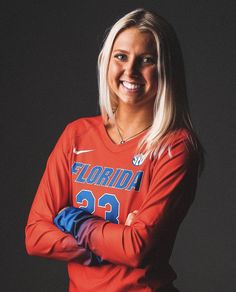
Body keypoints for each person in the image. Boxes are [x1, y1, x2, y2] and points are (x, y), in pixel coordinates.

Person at [25, 8, 204, 292]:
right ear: (106, 61)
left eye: (146, 60)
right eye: (121, 56)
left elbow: (135, 248)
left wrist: (74, 220)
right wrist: (112, 241)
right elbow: (35, 236)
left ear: (166, 68)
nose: (130, 71)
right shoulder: (77, 135)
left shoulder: (175, 147)